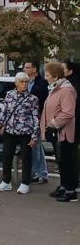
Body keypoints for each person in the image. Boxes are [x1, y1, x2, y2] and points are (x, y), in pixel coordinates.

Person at [0, 72, 39, 194]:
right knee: (6, 155)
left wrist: (34, 136)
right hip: (10, 130)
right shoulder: (9, 95)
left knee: (26, 157)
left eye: (26, 82)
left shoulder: (33, 99)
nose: (24, 84)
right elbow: (4, 112)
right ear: (16, 83)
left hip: (26, 131)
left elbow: (35, 118)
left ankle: (25, 183)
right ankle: (6, 181)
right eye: (21, 82)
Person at [41, 62, 78, 202]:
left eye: (48, 75)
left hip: (64, 133)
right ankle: (64, 186)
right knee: (61, 161)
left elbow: (68, 113)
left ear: (56, 76)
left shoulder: (66, 90)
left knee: (67, 161)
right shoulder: (56, 89)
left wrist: (53, 124)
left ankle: (70, 190)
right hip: (57, 132)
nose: (46, 77)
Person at [23, 61, 50, 184]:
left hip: (36, 116)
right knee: (37, 146)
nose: (25, 69)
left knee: (35, 146)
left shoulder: (41, 83)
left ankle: (35, 173)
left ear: (34, 69)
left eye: (27, 67)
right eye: (24, 67)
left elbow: (43, 100)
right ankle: (42, 173)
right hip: (26, 117)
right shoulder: (25, 82)